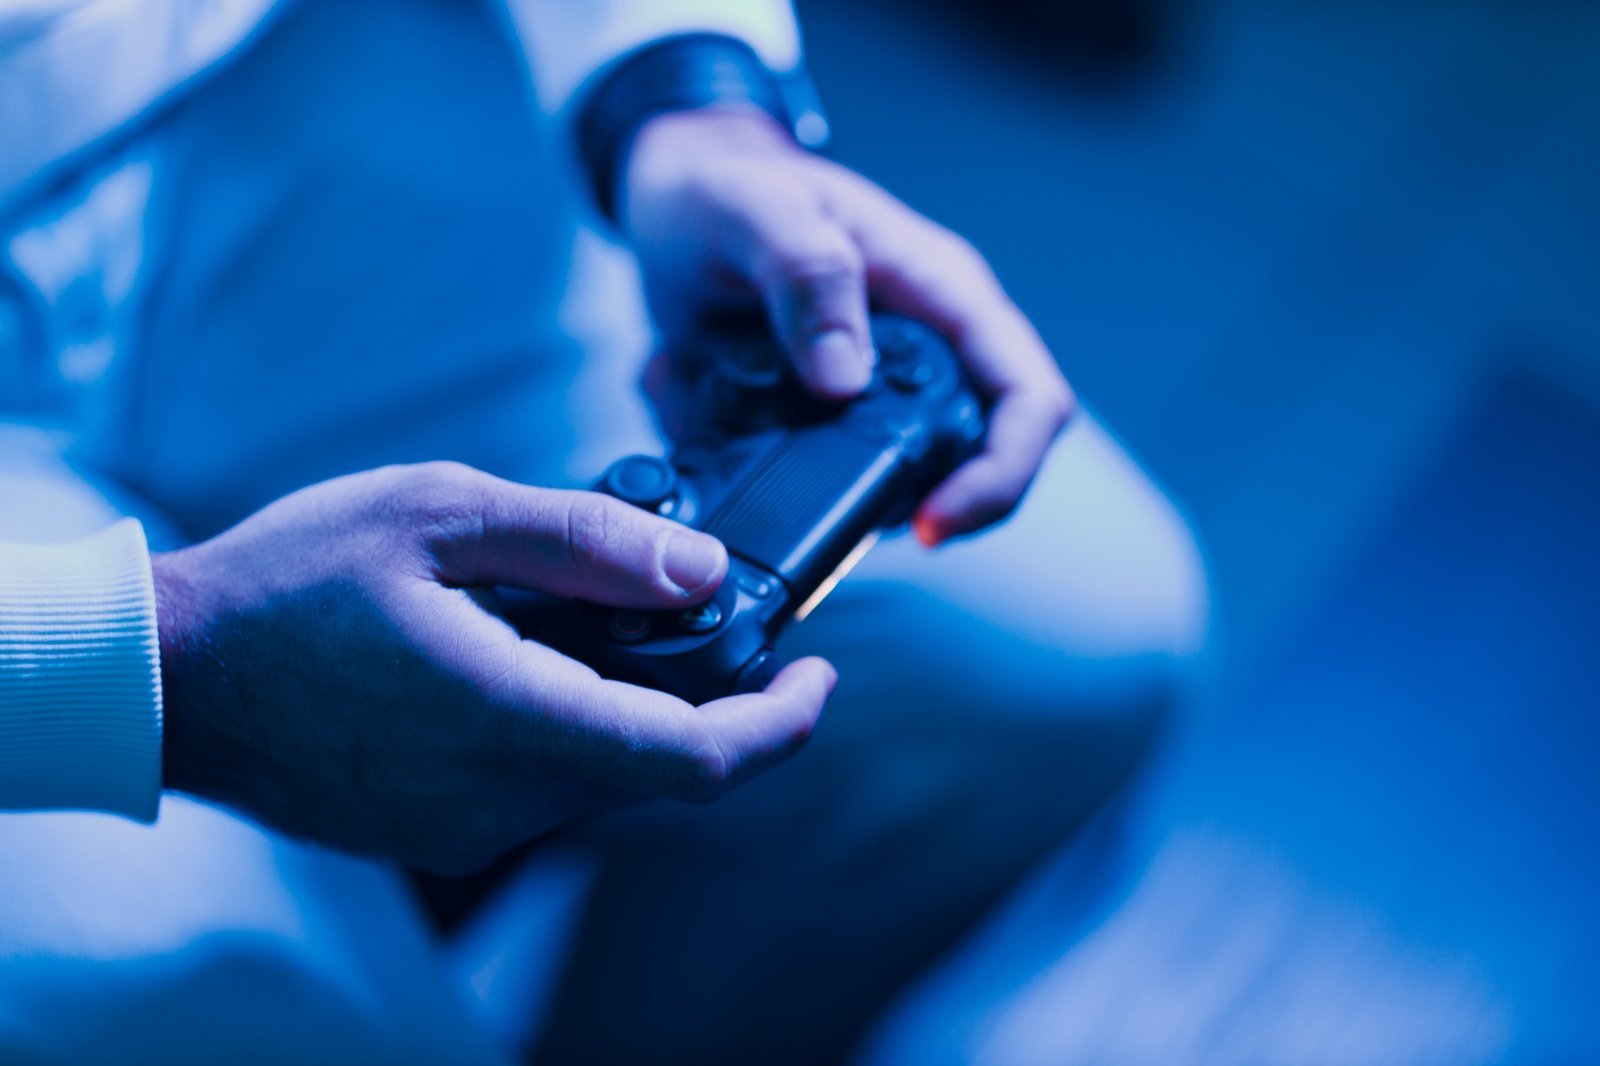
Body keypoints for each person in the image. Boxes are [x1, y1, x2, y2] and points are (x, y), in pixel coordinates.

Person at [0, 1, 1207, 1062]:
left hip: (257, 68)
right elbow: (125, 667)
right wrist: (143, 661)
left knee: (1070, 638)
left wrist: (683, 88)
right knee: (261, 1037)